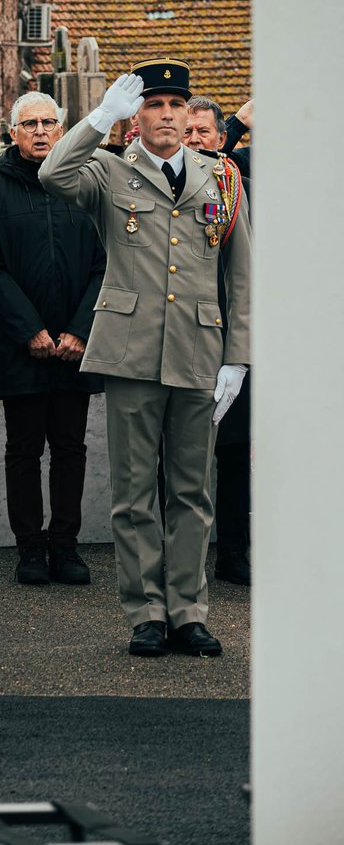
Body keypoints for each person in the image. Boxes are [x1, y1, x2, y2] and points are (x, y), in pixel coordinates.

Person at [40, 60, 251, 658]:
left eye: (174, 105)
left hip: (199, 353)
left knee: (191, 492)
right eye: (153, 104)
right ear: (138, 116)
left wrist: (237, 359)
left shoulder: (222, 179)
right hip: (132, 355)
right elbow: (55, 172)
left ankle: (189, 610)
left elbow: (242, 275)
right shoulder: (110, 170)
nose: (164, 114)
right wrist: (98, 118)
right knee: (134, 494)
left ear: (189, 116)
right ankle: (146, 613)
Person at [0, 91, 105, 586]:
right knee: (23, 450)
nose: (41, 131)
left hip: (74, 344)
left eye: (50, 122)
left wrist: (80, 329)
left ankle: (65, 546)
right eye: (30, 124)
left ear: (63, 129)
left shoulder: (85, 188)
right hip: (21, 346)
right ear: (13, 133)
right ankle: (29, 548)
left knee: (70, 448)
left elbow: (104, 263)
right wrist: (29, 330)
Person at [184, 95, 252, 586]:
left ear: (222, 140)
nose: (193, 141)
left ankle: (232, 552)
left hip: (231, 341)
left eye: (202, 133)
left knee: (232, 453)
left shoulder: (242, 190)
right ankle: (175, 556)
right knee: (173, 457)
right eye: (186, 133)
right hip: (178, 339)